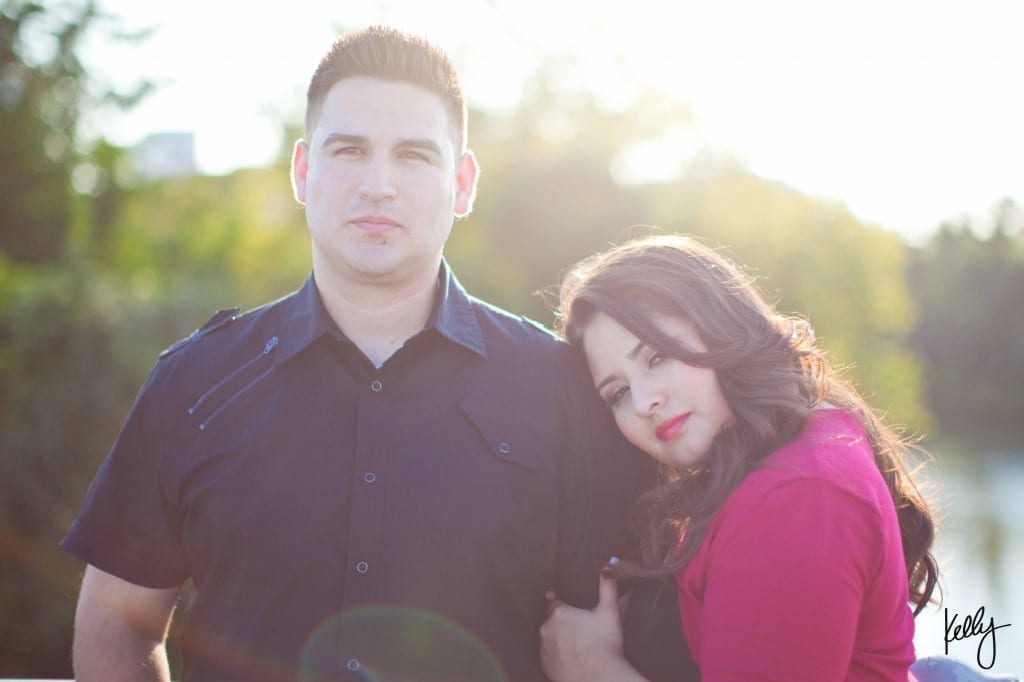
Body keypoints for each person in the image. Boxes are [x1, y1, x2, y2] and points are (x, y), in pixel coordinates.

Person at [61, 26, 643, 682]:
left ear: (462, 183)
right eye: (350, 150)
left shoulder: (559, 387)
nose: (378, 184)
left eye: (414, 156)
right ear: (304, 172)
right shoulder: (193, 384)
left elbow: (601, 640)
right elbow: (116, 624)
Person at [539, 233, 941, 681]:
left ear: (722, 326)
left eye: (657, 357)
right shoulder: (788, 443)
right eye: (617, 392)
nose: (644, 401)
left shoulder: (799, 495)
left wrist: (590, 668)